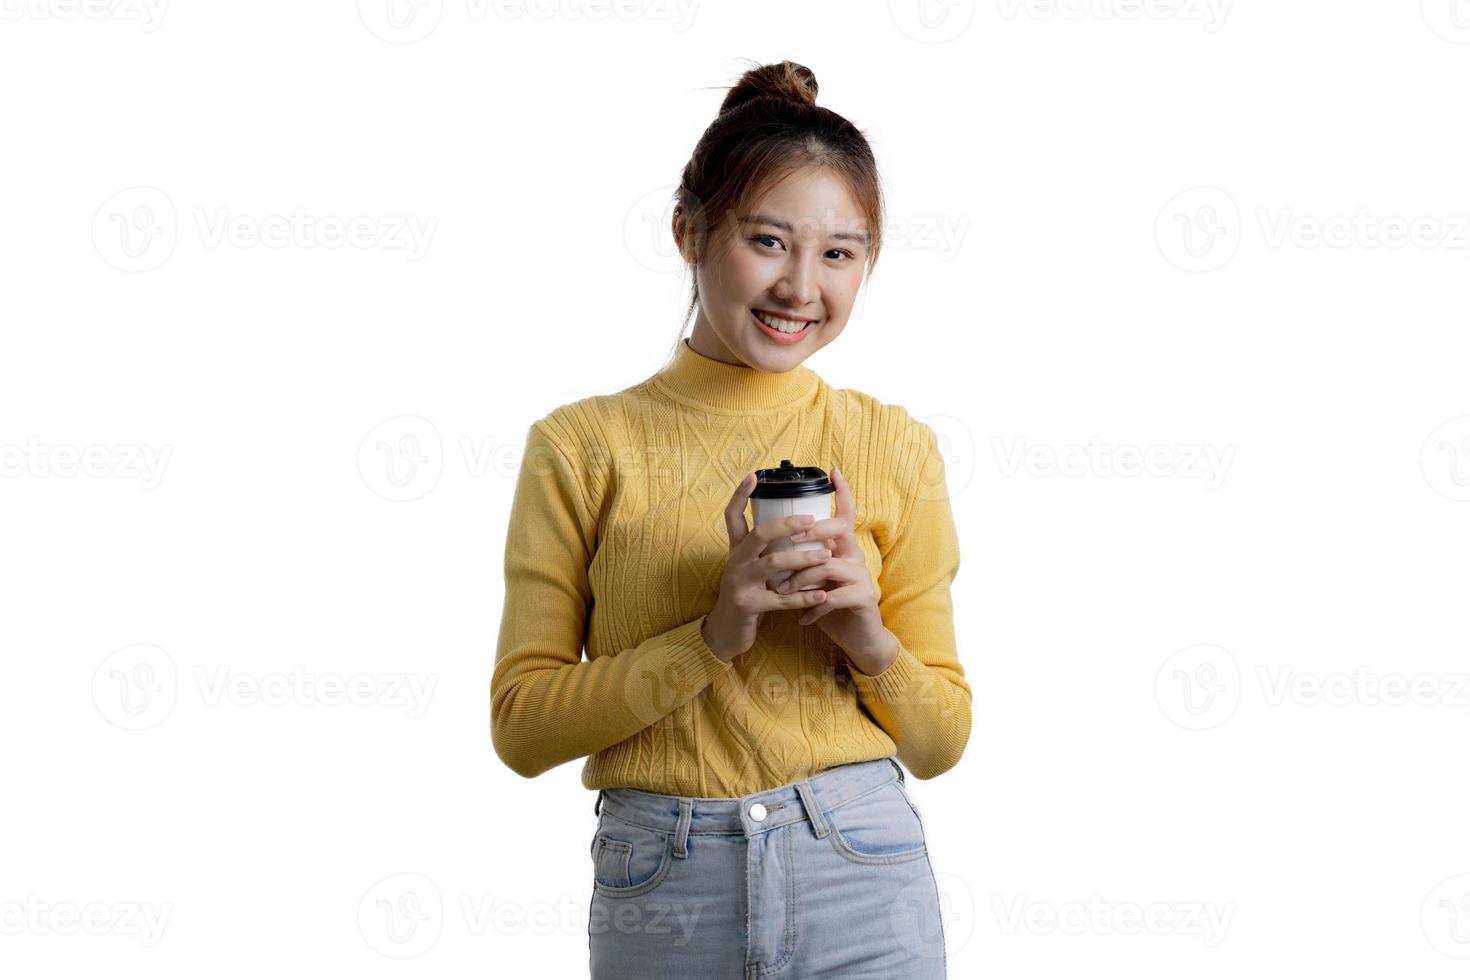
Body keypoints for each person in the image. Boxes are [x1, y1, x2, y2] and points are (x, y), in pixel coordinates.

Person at [492, 59, 969, 979]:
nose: (800, 287)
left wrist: (868, 637)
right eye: (767, 241)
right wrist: (713, 634)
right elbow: (521, 727)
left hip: (861, 869)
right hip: (665, 879)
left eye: (839, 252)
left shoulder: (895, 445)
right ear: (689, 231)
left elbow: (942, 741)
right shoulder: (583, 445)